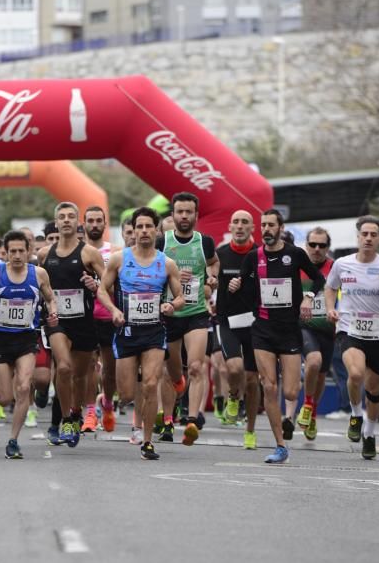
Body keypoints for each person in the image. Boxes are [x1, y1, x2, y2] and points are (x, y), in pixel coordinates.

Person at [229, 209, 325, 464]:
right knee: (269, 386)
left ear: (281, 228)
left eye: (271, 225)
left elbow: (318, 278)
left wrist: (308, 297)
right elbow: (243, 285)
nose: (267, 230)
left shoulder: (294, 255)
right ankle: (280, 446)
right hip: (262, 329)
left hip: (289, 330)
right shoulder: (253, 257)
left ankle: (299, 406)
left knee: (291, 392)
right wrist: (235, 285)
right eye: (264, 226)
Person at [99, 207, 185, 460]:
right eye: (140, 227)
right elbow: (102, 290)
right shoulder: (119, 259)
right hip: (126, 332)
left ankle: (147, 442)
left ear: (156, 230)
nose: (144, 231)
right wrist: (113, 310)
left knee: (149, 384)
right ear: (133, 231)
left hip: (154, 332)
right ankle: (106, 399)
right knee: (126, 395)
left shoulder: (166, 263)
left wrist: (171, 305)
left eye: (149, 226)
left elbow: (180, 297)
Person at [325, 216, 379, 460]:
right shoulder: (342, 263)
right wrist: (331, 308)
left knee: (373, 387)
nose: (368, 238)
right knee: (356, 374)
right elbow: (330, 287)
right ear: (358, 237)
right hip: (350, 329)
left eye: (373, 234)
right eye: (365, 234)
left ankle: (369, 434)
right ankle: (355, 414)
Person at [0, 229, 58, 458]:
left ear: (29, 251)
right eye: (13, 251)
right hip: (0, 339)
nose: (17, 255)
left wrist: (53, 313)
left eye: (21, 251)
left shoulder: (39, 274)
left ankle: (13, 440)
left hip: (26, 339)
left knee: (23, 387)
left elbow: (50, 298)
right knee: (4, 398)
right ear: (5, 253)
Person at [38, 202, 112, 446]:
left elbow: (108, 283)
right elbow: (38, 284)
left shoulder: (89, 252)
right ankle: (67, 418)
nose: (67, 220)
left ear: (77, 221)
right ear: (56, 222)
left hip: (83, 320)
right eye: (62, 217)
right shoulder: (44, 254)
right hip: (57, 321)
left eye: (71, 216)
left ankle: (77, 414)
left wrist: (95, 284)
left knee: (80, 376)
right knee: (64, 368)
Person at [157, 192, 219, 445]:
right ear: (173, 214)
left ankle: (192, 420)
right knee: (170, 374)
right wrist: (170, 279)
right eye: (179, 211)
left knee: (195, 366)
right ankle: (168, 421)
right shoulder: (162, 241)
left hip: (196, 313)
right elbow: (150, 269)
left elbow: (214, 263)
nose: (184, 216)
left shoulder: (205, 242)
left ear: (195, 214)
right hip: (170, 313)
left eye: (188, 212)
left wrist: (213, 278)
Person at [214, 210, 261, 448]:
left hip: (255, 323)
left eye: (245, 222)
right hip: (228, 321)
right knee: (234, 367)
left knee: (253, 380)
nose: (240, 226)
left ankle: (250, 431)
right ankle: (233, 396)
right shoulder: (220, 254)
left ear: (253, 228)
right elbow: (209, 282)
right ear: (230, 226)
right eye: (236, 222)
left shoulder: (260, 255)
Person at [296, 226, 336, 440]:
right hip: (303, 326)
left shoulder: (335, 267)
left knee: (320, 374)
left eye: (322, 245)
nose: (317, 249)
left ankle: (312, 414)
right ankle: (308, 405)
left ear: (328, 248)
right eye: (313, 244)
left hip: (328, 329)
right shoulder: (298, 265)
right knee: (313, 361)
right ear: (306, 245)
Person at [84, 205, 120, 433]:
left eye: (99, 221)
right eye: (91, 221)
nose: (95, 225)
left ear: (104, 224)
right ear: (84, 224)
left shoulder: (115, 252)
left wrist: (101, 286)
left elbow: (120, 285)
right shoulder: (79, 251)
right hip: (86, 316)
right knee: (88, 365)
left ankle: (107, 403)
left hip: (108, 315)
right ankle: (89, 412)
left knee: (109, 369)